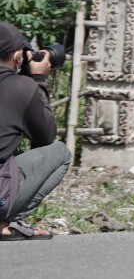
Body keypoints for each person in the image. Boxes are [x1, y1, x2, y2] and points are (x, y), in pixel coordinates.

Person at [0, 22, 69, 242]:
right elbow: (45, 137)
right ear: (19, 56)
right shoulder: (22, 87)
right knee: (60, 153)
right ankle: (5, 224)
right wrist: (37, 80)